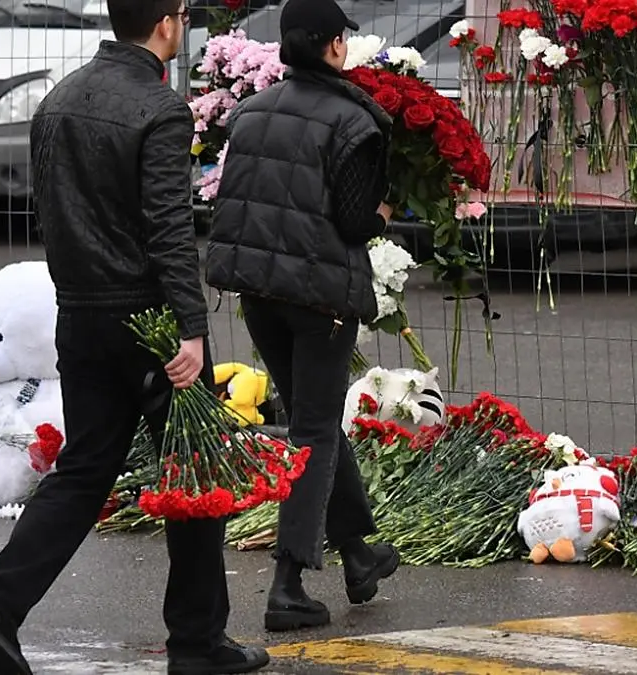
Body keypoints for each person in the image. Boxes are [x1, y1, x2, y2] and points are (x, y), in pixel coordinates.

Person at [0, 2, 269, 673]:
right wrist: (190, 327)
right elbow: (168, 226)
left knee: (85, 469)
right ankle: (197, 641)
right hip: (145, 321)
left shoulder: (61, 98)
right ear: (165, 23)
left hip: (80, 313)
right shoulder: (158, 107)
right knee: (194, 470)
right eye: (182, 13)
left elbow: (58, 210)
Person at [203, 0, 400, 633]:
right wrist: (385, 217)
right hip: (320, 300)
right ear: (333, 46)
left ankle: (360, 555)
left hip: (261, 295)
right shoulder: (354, 120)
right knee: (313, 430)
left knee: (313, 417)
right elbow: (352, 219)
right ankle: (287, 586)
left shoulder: (251, 112)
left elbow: (237, 201)